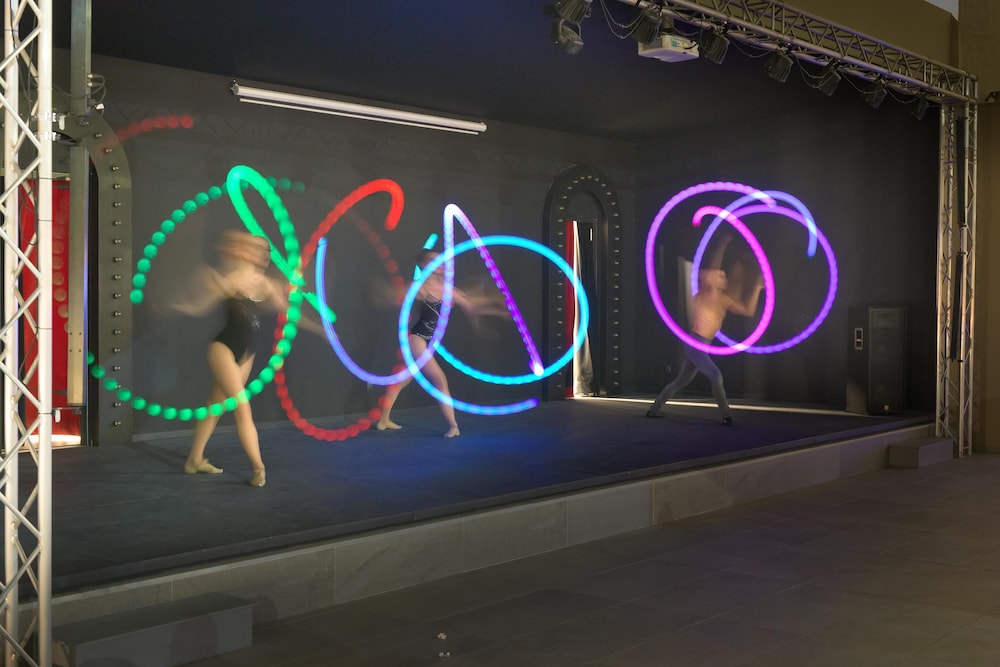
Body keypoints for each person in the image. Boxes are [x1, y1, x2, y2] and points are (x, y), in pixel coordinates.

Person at [175, 230, 312, 487]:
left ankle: (194, 460)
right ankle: (259, 468)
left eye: (266, 250)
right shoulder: (227, 279)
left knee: (215, 405)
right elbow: (200, 305)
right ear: (245, 252)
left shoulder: (267, 284)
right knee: (243, 408)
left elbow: (289, 313)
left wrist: (320, 328)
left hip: (246, 354)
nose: (264, 255)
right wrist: (184, 306)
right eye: (258, 249)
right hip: (223, 349)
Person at [376, 249, 509, 437]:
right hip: (418, 339)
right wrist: (384, 294)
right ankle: (453, 426)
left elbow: (470, 306)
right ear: (424, 265)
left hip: (426, 341)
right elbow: (394, 295)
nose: (439, 263)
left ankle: (383, 419)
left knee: (401, 381)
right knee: (440, 380)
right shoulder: (420, 286)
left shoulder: (446, 288)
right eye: (433, 260)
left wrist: (498, 311)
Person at [646, 235, 764, 425]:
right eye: (720, 275)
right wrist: (723, 243)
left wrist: (757, 287)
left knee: (680, 381)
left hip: (702, 346)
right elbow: (714, 266)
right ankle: (726, 415)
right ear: (712, 280)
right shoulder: (706, 293)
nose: (723, 276)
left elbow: (748, 311)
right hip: (695, 344)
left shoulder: (724, 300)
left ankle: (654, 409)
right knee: (716, 376)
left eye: (725, 275)